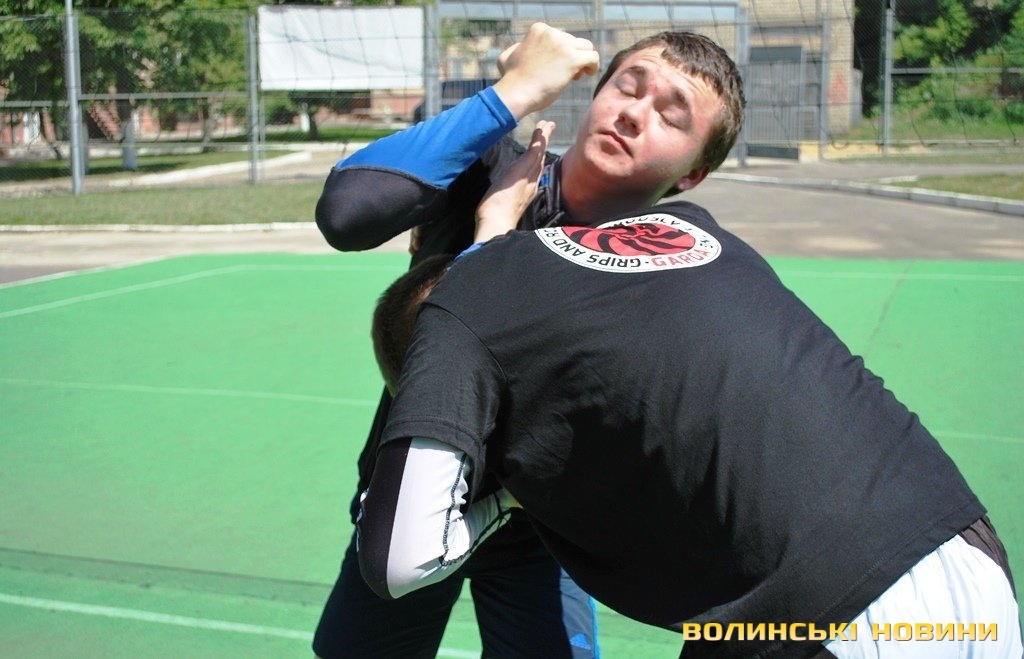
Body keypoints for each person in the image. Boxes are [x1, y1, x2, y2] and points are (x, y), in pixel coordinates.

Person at [358, 162, 1023, 658]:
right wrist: (494, 231)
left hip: (822, 614)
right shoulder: (683, 229)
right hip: (966, 554)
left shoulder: (458, 314)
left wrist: (503, 498)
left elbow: (400, 559)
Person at [312, 22, 746, 658]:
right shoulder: (492, 168)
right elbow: (346, 214)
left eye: (671, 115)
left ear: (692, 175)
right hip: (405, 489)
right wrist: (512, 92)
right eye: (628, 87)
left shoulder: (665, 262)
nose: (634, 113)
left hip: (544, 530)